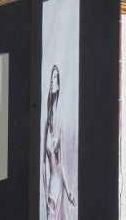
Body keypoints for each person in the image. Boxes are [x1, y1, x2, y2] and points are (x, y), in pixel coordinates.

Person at [43, 65, 77, 219]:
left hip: (57, 178)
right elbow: (43, 162)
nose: (52, 81)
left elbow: (62, 160)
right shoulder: (47, 122)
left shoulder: (60, 122)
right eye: (51, 77)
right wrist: (44, 187)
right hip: (49, 179)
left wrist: (69, 191)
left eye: (55, 78)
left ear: (58, 85)